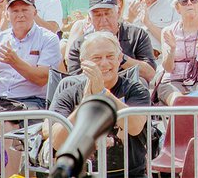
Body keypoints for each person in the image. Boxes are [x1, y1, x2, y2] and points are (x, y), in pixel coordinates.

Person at [50, 31, 151, 178]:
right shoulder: (68, 93)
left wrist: (103, 93)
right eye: (97, 58)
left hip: (130, 173)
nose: (104, 63)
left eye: (110, 57)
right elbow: (57, 141)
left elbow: (135, 127)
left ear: (118, 59)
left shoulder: (135, 89)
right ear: (84, 62)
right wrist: (86, 103)